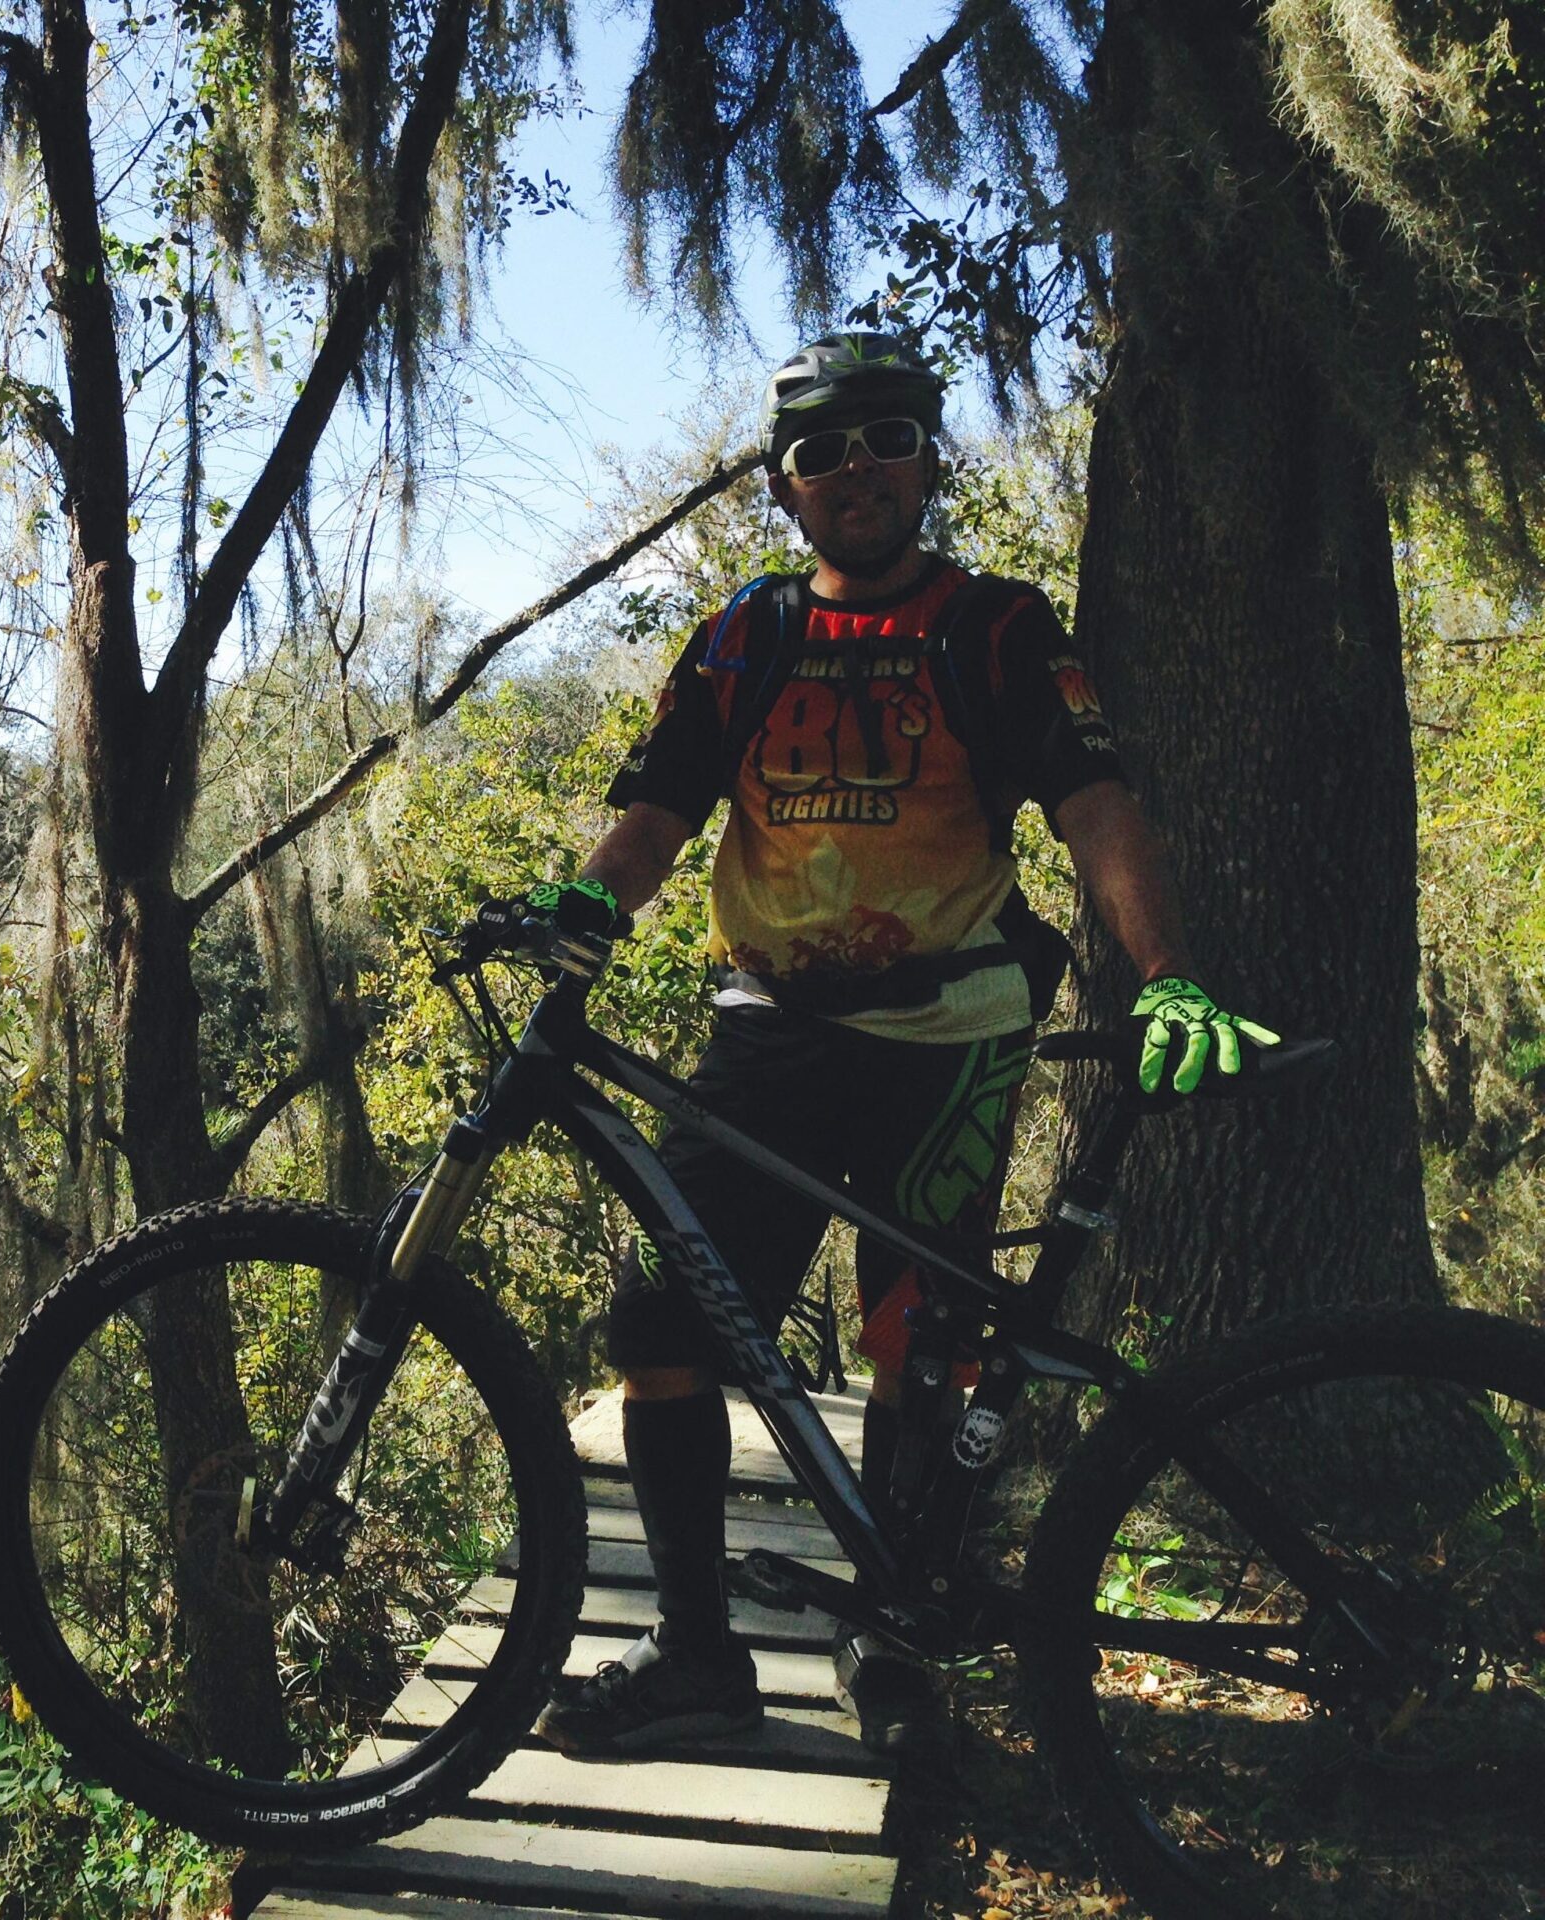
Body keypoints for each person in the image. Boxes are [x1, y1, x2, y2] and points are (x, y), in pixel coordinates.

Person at [523, 329, 1276, 1757]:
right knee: (663, 1336)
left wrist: (1165, 972)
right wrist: (589, 899)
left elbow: (1096, 804)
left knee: (913, 1351)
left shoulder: (997, 628)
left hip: (952, 1043)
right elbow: (661, 813)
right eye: (820, 453)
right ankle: (696, 1657)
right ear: (782, 492)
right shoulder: (745, 633)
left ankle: (894, 1648)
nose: (853, 470)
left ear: (928, 456)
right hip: (767, 1037)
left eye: (884, 439)